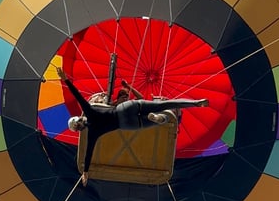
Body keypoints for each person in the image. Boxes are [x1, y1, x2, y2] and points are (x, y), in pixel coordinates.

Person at [57, 67, 208, 185]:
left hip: (127, 124)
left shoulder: (93, 133)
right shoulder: (89, 111)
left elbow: (89, 153)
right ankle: (195, 103)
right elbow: (77, 95)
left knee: (160, 121)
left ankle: (158, 119)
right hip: (125, 108)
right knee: (164, 105)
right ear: (79, 118)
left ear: (80, 129)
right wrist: (65, 79)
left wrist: (86, 172)